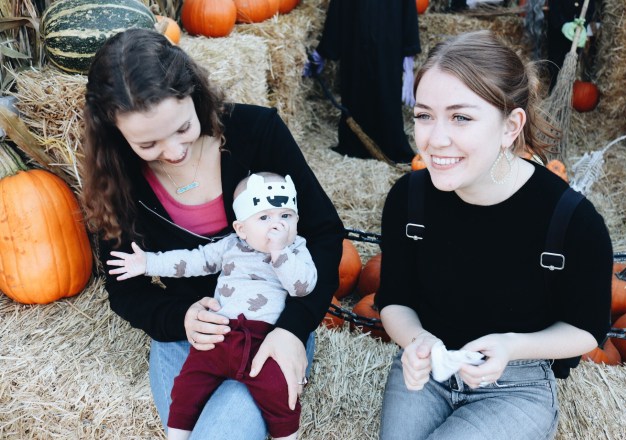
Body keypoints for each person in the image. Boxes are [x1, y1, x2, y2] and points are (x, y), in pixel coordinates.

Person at [81, 28, 345, 440]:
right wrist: (181, 319)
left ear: (193, 92)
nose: (173, 152)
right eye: (148, 144)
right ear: (114, 132)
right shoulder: (118, 178)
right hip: (189, 335)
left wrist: (294, 329)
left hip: (270, 324)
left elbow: (325, 234)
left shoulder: (256, 132)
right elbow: (125, 290)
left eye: (183, 128)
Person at [375, 30, 612, 440]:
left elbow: (587, 329)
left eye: (461, 117)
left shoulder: (572, 220)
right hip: (430, 370)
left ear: (510, 126)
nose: (435, 139)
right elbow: (394, 300)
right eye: (424, 115)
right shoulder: (408, 200)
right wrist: (417, 342)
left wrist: (510, 346)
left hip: (515, 384)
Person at [107, 172, 314, 440]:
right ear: (241, 228)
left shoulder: (296, 249)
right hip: (219, 334)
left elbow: (302, 287)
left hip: (262, 341)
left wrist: (280, 253)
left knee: (278, 393)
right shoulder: (231, 245)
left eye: (286, 216)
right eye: (264, 218)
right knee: (187, 388)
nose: (277, 225)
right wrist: (148, 263)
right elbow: (192, 261)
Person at [310, 0, 421, 163]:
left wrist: (408, 60)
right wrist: (323, 52)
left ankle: (389, 144)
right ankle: (357, 142)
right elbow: (338, 10)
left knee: (385, 93)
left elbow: (408, 12)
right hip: (356, 42)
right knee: (357, 91)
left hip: (388, 44)